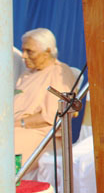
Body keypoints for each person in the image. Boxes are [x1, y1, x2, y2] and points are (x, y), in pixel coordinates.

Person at [14, 28, 77, 172]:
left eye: (29, 51)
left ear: (47, 52)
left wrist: (18, 123)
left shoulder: (59, 72)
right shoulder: (28, 74)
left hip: (40, 135)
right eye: (23, 50)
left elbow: (52, 116)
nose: (23, 56)